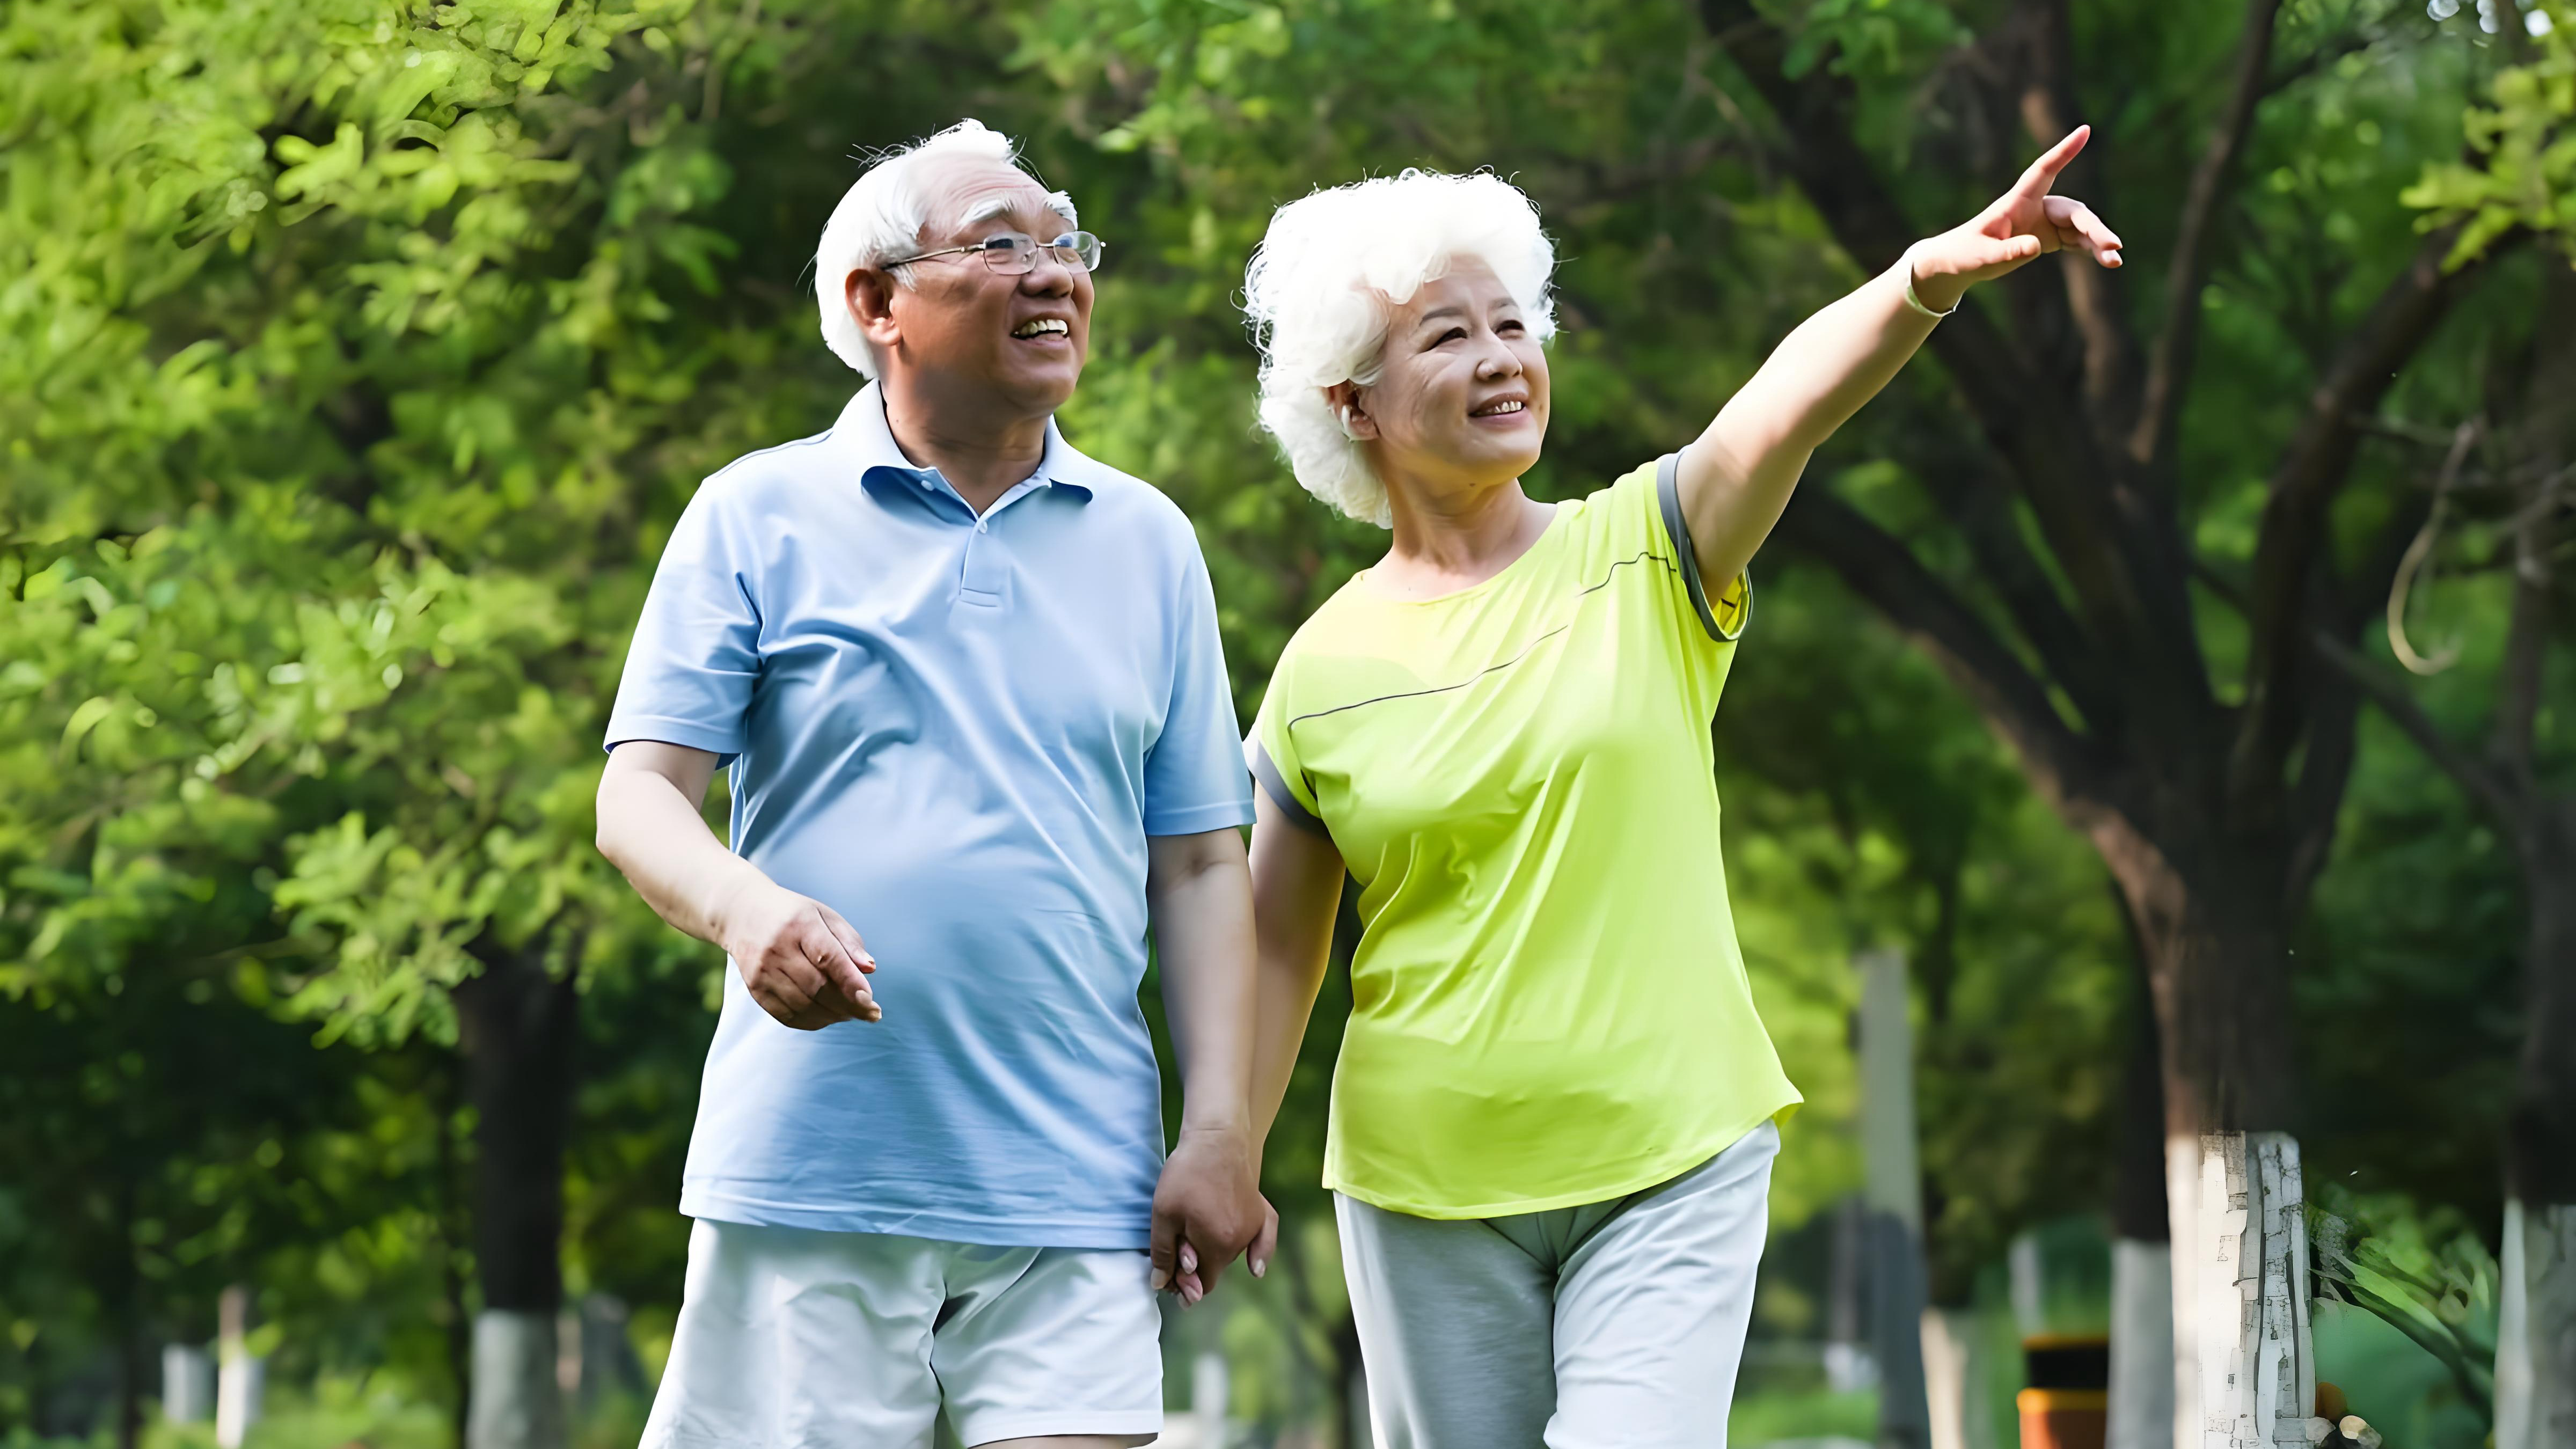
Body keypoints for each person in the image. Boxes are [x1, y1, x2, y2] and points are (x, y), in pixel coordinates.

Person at [1238, 132, 2122, 1447]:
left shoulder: (1648, 548)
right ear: (1353, 402)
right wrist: (1224, 1153)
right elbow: (1272, 949)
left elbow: (1782, 405)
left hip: (1671, 1153)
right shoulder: (1320, 670)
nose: (1502, 357)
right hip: (1424, 1186)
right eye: (1448, 336)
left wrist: (1922, 279)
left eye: (1513, 324)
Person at [595, 119, 1273, 1449]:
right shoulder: (754, 513)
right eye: (1003, 244)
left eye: (1068, 245)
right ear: (877, 303)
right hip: (814, 1170)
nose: (1056, 274)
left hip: (1078, 1181)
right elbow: (637, 799)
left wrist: (1222, 1130)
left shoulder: (1150, 541)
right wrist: (746, 912)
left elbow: (1200, 863)